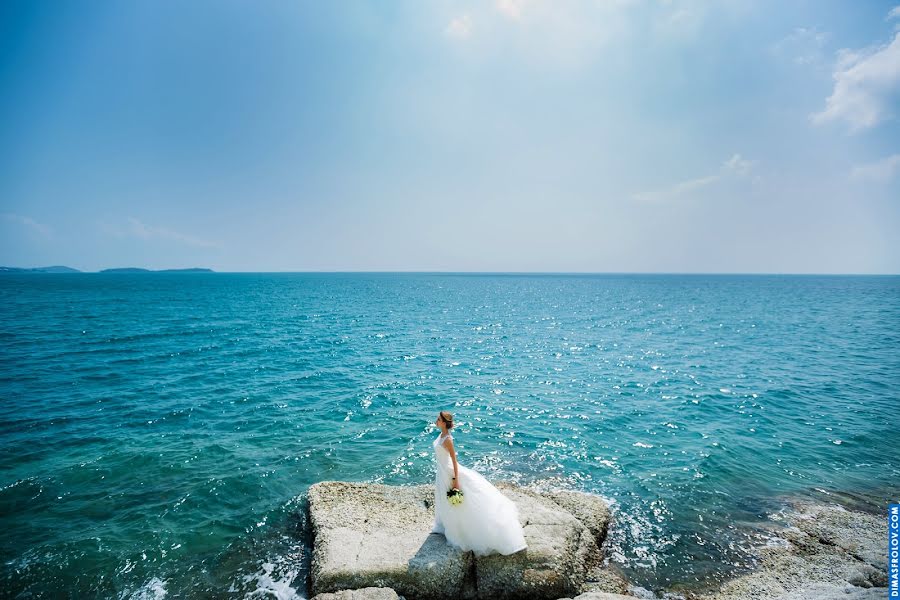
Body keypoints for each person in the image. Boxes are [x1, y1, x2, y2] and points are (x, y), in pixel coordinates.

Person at [430, 410, 528, 556]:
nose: (436, 421)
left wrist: (456, 480)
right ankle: (446, 525)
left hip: (449, 471)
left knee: (459, 501)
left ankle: (462, 531)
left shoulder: (448, 439)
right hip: (442, 471)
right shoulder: (441, 435)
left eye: (438, 419)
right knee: (444, 499)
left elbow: (454, 461)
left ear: (444, 422)